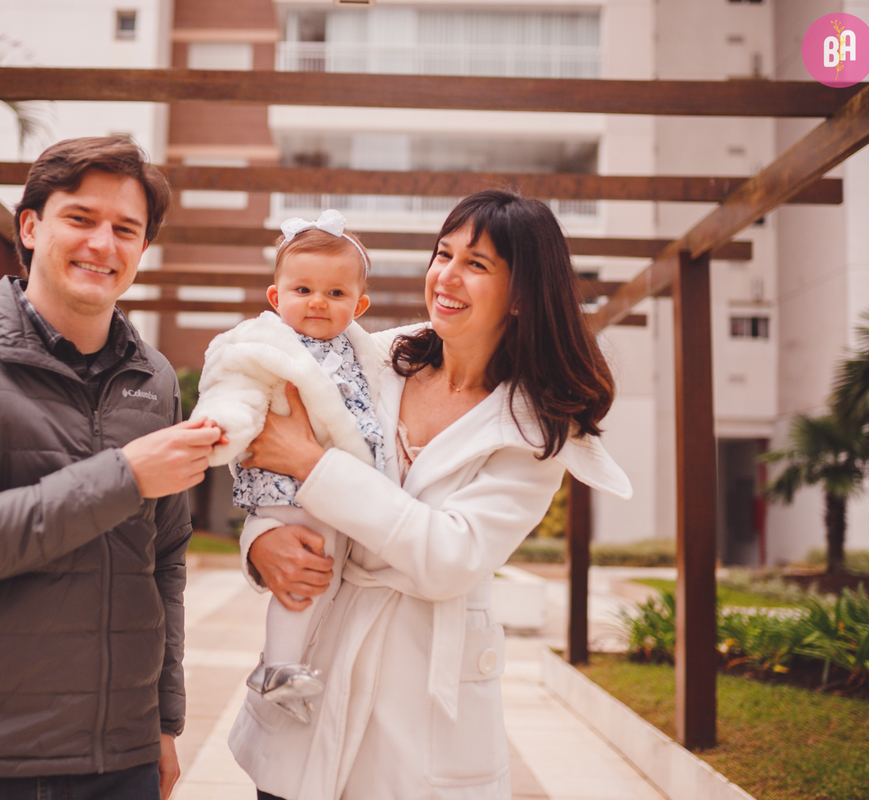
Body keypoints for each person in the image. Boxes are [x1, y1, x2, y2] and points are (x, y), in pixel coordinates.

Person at [226, 189, 634, 800]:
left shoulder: (534, 429)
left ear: (522, 294)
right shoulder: (374, 357)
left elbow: (450, 558)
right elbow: (272, 455)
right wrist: (261, 541)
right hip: (316, 671)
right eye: (443, 254)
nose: (446, 276)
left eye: (477, 264)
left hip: (419, 712)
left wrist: (312, 463)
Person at [0, 136, 221, 800]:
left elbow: (167, 558)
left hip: (118, 759)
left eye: (126, 229)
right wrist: (125, 477)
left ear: (142, 251)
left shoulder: (153, 379)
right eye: (81, 218)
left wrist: (163, 724)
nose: (104, 244)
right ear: (31, 227)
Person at [189, 210, 385, 723]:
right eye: (303, 289)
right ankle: (278, 665)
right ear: (276, 299)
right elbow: (234, 389)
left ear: (359, 306)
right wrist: (220, 425)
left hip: (336, 489)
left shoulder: (366, 354)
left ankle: (291, 665)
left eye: (336, 294)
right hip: (285, 491)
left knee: (324, 577)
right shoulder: (263, 347)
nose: (318, 301)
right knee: (304, 576)